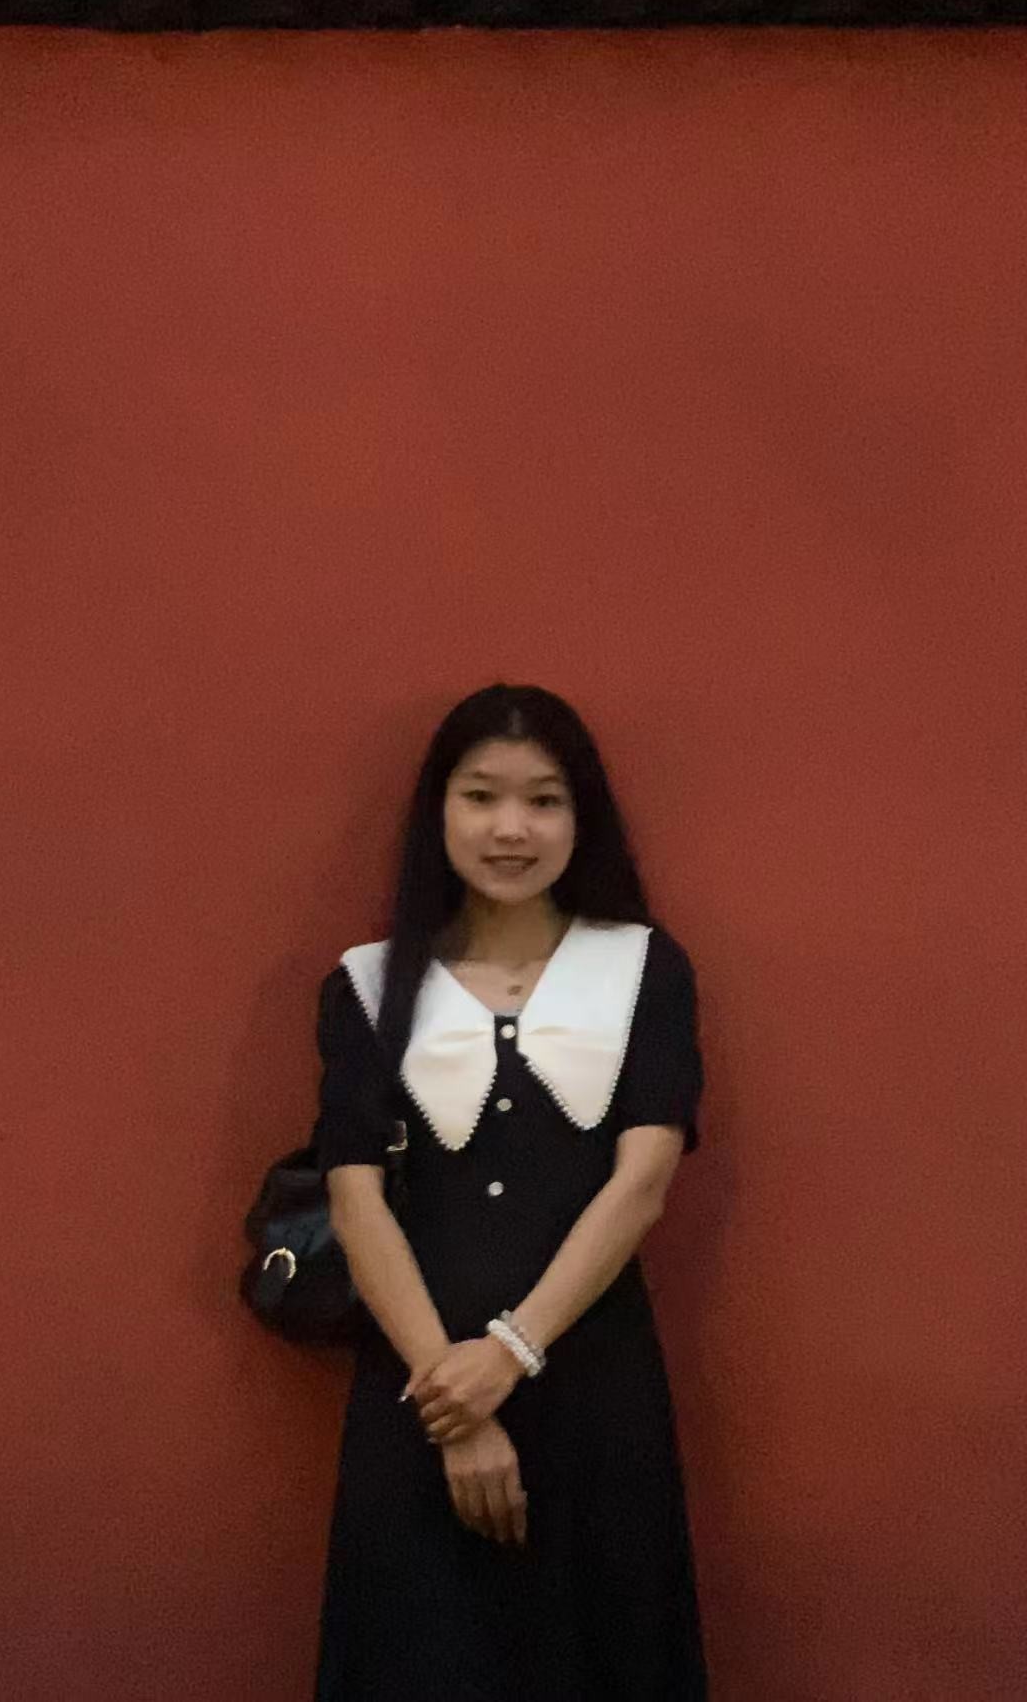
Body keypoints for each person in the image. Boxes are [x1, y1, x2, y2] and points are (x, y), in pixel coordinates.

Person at [311, 683, 708, 1701]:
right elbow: (356, 1201)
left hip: (592, 1388)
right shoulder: (366, 986)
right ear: (437, 810)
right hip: (419, 1393)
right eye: (481, 795)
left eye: (543, 799)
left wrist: (509, 1355)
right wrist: (454, 1401)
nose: (510, 828)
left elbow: (641, 1185)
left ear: (582, 816)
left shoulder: (643, 969)